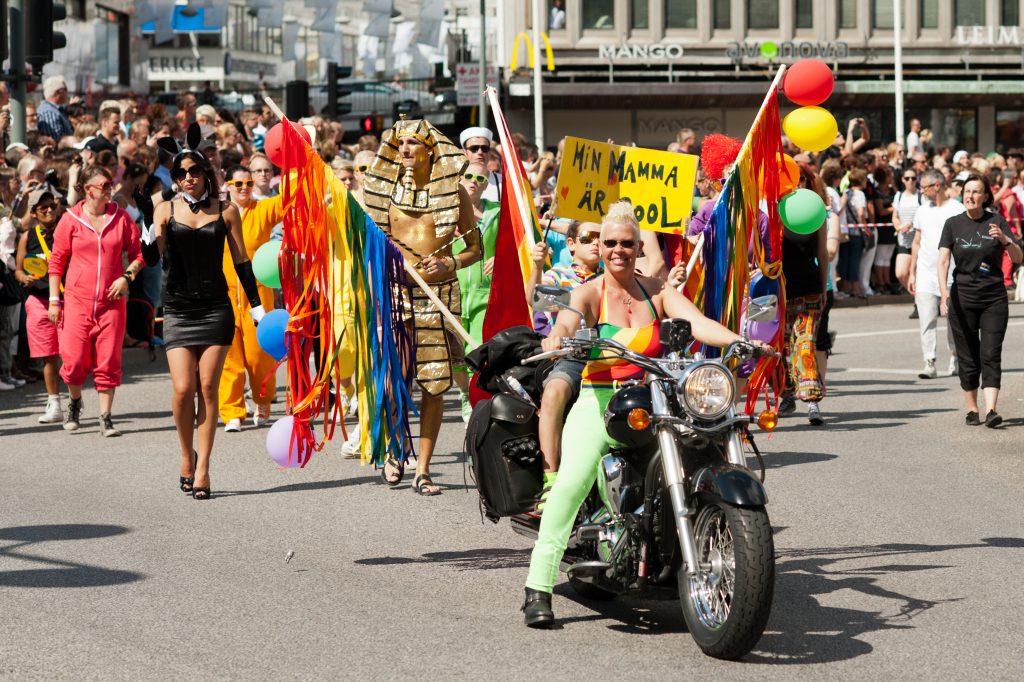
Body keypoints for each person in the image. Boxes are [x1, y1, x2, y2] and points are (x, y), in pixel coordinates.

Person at [521, 200, 767, 628]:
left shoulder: (656, 291)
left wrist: (740, 342)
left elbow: (697, 322)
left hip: (658, 399)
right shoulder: (590, 291)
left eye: (627, 243)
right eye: (610, 242)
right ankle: (537, 588)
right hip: (601, 401)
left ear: (639, 247)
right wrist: (558, 337)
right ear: (599, 245)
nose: (618, 250)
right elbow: (567, 319)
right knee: (571, 483)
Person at [143, 127, 265, 499]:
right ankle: (186, 455)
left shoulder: (227, 211)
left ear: (205, 172)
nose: (188, 178)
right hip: (178, 307)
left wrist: (257, 307)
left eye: (194, 170)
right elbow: (152, 257)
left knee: (208, 387)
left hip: (216, 308)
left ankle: (205, 469)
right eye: (181, 173)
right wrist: (148, 222)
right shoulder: (166, 209)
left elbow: (243, 263)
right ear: (175, 178)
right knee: (183, 389)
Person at [361, 117, 482, 495]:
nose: (407, 149)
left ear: (431, 149)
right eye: (401, 143)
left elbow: (474, 249)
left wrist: (449, 263)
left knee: (434, 385)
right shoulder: (384, 192)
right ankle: (396, 452)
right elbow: (369, 241)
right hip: (396, 295)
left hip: (439, 297)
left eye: (414, 142)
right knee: (396, 378)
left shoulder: (455, 193)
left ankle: (424, 470)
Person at [46, 166, 144, 436]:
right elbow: (56, 263)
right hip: (77, 301)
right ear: (88, 189)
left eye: (110, 184)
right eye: (104, 185)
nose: (109, 188)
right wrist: (55, 300)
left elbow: (139, 254)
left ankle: (105, 416)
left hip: (111, 302)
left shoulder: (121, 217)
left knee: (108, 359)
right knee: (74, 360)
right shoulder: (70, 220)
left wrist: (126, 277)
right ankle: (75, 401)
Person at [526, 221, 602, 510]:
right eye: (587, 237)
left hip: (610, 357)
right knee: (554, 392)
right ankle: (550, 479)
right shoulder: (558, 275)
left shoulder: (614, 276)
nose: (595, 243)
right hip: (570, 357)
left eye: (601, 237)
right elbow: (535, 303)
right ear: (571, 244)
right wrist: (535, 267)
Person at [938, 175, 1022, 427]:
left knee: (990, 353)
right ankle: (972, 409)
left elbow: (1018, 256)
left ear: (985, 196)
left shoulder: (996, 221)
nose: (970, 195)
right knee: (968, 356)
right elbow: (942, 261)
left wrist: (1005, 240)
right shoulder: (952, 224)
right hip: (962, 297)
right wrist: (944, 293)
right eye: (967, 191)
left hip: (993, 298)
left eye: (976, 191)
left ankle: (991, 411)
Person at [218, 165, 283, 432]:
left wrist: (298, 167)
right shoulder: (217, 213)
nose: (243, 188)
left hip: (258, 293)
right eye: (238, 184)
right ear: (228, 186)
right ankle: (232, 411)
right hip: (225, 292)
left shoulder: (262, 209)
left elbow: (289, 200)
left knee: (258, 354)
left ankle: (263, 399)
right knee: (229, 354)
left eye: (247, 183)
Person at [775, 164, 829, 425]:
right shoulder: (774, 212)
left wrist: (824, 287)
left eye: (803, 180)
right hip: (780, 290)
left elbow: (822, 253)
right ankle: (787, 395)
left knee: (805, 343)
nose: (798, 185)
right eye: (793, 181)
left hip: (809, 289)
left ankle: (812, 402)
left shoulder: (815, 212)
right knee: (783, 348)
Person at [908, 170, 964, 380]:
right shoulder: (922, 211)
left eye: (925, 187)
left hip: (951, 274)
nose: (921, 191)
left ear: (938, 185)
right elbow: (916, 242)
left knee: (953, 320)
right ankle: (929, 361)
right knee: (927, 320)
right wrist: (912, 272)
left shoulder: (957, 209)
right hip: (926, 273)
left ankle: (955, 356)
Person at [14, 190, 63, 421]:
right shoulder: (27, 237)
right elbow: (18, 269)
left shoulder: (66, 231)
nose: (49, 210)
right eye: (43, 207)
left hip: (67, 300)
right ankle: (54, 403)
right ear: (33, 212)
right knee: (49, 355)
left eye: (52, 206)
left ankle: (74, 398)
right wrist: (25, 278)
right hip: (39, 301)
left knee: (73, 356)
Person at [460, 126, 500, 203]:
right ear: (465, 152)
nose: (480, 152)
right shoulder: (453, 181)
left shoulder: (503, 183)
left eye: (484, 148)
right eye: (474, 148)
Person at [36, 76, 73, 142]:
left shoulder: (56, 110)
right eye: (65, 89)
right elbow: (55, 140)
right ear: (57, 92)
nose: (67, 93)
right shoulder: (49, 112)